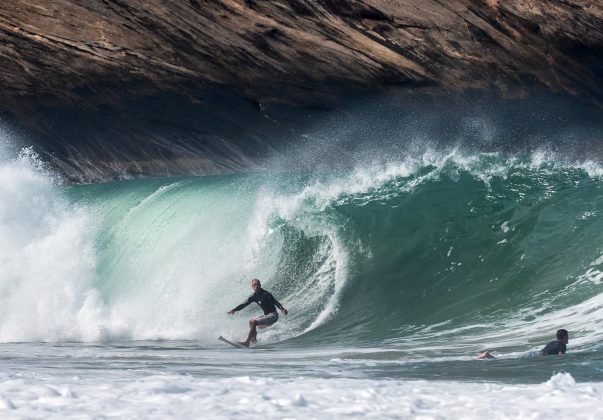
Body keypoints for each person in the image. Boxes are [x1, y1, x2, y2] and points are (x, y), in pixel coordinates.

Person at [227, 278, 288, 347]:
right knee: (251, 322)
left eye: (257, 285)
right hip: (267, 315)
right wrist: (234, 310)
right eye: (254, 285)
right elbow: (244, 304)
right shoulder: (254, 296)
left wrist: (282, 309)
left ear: (260, 285)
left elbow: (275, 302)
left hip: (273, 316)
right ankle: (253, 341)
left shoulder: (266, 294)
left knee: (254, 322)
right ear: (252, 286)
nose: (256, 286)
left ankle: (247, 342)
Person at [476, 328, 569, 359]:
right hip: (536, 356)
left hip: (533, 353)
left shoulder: (553, 342)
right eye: (567, 337)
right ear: (564, 337)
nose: (568, 338)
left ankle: (485, 355)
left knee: (511, 358)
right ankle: (488, 356)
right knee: (509, 360)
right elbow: (560, 357)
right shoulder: (562, 345)